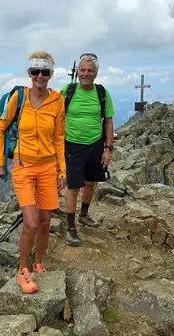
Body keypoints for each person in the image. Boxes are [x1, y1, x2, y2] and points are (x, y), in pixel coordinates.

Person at [0, 51, 66, 294]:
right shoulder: (18, 98)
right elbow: (0, 128)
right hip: (23, 167)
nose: (40, 76)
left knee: (45, 222)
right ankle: (22, 269)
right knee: (32, 222)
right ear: (29, 74)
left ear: (51, 75)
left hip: (48, 167)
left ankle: (38, 262)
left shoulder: (56, 101)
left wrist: (61, 170)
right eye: (36, 72)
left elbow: (59, 137)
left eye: (45, 72)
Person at [61, 53, 115, 247]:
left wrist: (107, 148)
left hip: (95, 144)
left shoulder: (102, 93)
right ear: (78, 72)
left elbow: (108, 120)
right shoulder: (68, 90)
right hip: (72, 144)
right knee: (73, 187)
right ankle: (70, 228)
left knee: (90, 183)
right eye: (82, 70)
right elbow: (55, 115)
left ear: (95, 73)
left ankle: (83, 215)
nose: (85, 73)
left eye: (89, 70)